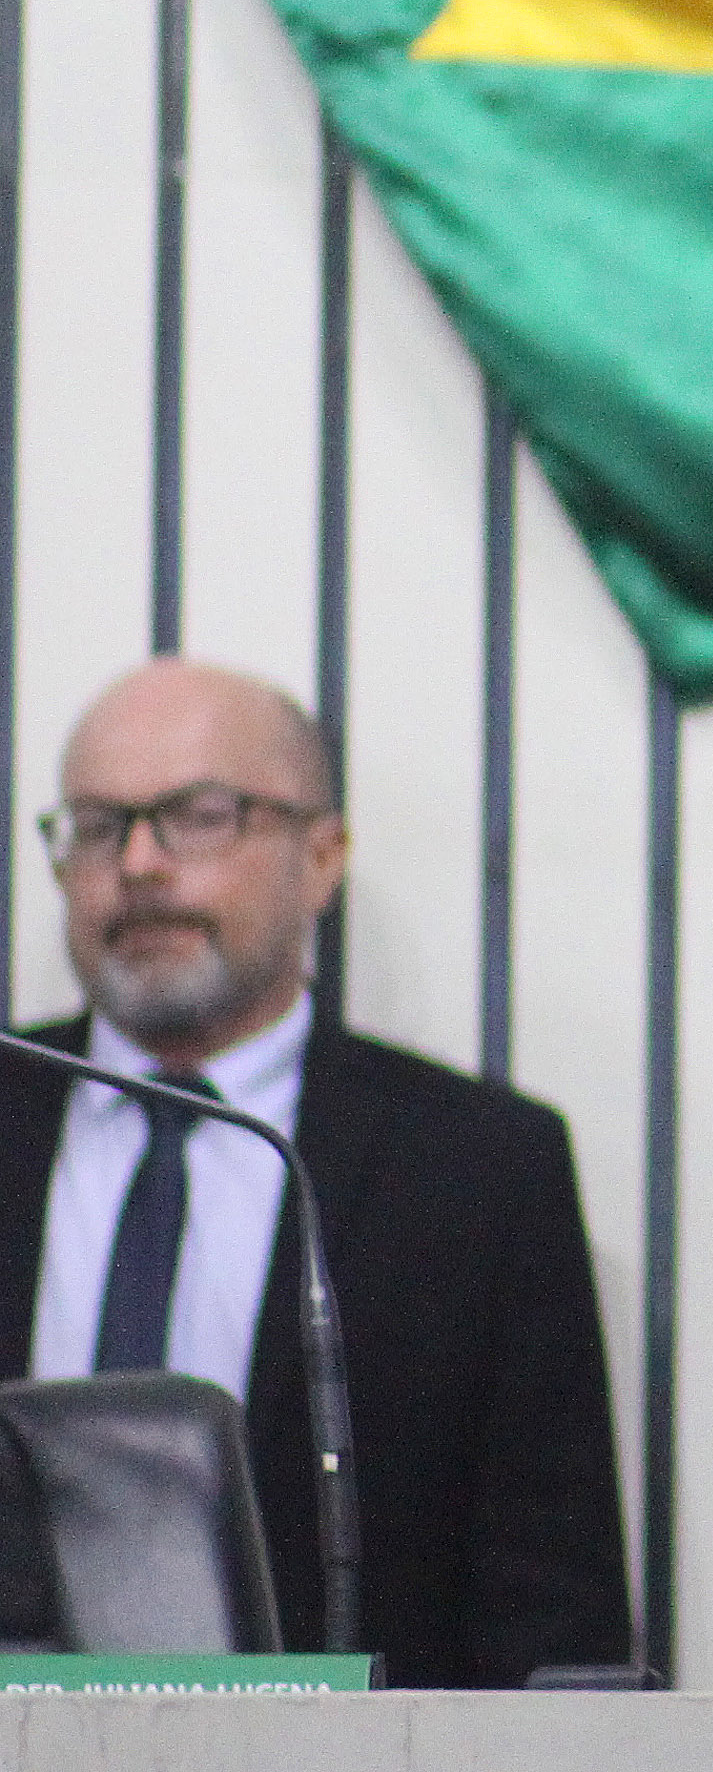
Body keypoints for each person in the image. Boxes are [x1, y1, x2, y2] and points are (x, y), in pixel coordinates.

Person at [0, 660, 631, 1683]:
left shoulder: (479, 1170)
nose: (142, 863)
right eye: (98, 826)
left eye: (199, 816)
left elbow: (554, 1614)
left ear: (323, 855)